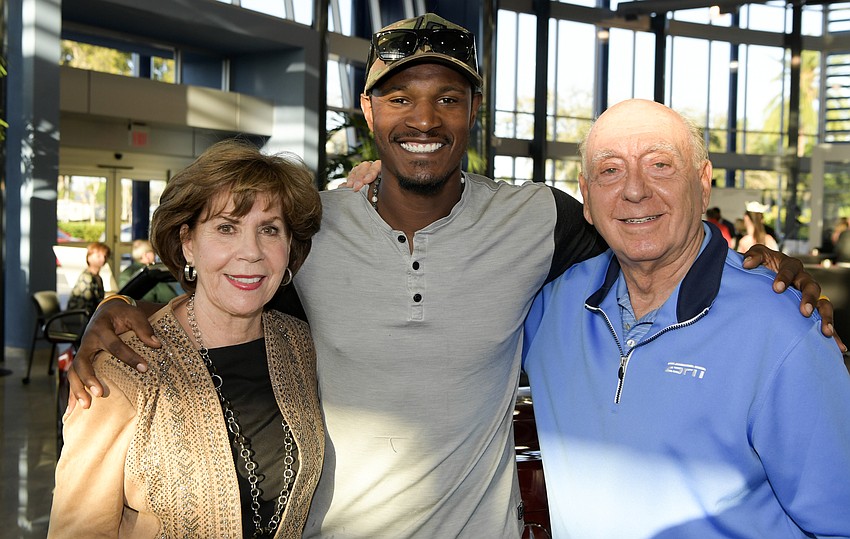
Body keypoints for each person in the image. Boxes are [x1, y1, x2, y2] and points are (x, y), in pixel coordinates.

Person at [68, 14, 840, 539]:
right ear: (369, 111)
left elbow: (647, 238)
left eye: (447, 98)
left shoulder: (537, 220)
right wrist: (114, 307)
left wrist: (763, 270)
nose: (424, 118)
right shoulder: (316, 225)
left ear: (474, 111)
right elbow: (222, 265)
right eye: (400, 97)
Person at [522, 99, 850, 538]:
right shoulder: (548, 307)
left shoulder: (784, 331)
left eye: (660, 165)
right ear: (586, 197)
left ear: (703, 182)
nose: (634, 190)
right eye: (610, 170)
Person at [49, 139, 325, 538]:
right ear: (187, 242)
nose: (251, 252)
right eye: (226, 228)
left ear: (289, 248)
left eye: (269, 229)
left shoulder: (301, 345)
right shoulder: (123, 371)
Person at [118, 239, 179, 303]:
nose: (155, 255)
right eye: (153, 252)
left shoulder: (125, 273)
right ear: (146, 255)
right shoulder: (152, 273)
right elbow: (170, 299)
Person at [67, 241, 111, 313]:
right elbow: (87, 305)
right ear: (89, 257)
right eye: (98, 256)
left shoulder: (98, 278)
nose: (103, 259)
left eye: (105, 256)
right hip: (79, 316)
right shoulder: (86, 277)